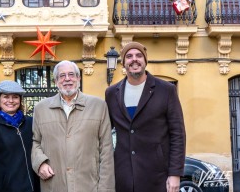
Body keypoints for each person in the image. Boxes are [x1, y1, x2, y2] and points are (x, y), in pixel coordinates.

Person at [105, 42, 186, 192]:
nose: (134, 59)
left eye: (138, 55)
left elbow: (178, 134)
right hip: (123, 176)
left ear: (145, 60)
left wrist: (175, 173)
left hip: (157, 176)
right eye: (129, 56)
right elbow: (105, 132)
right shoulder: (111, 93)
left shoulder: (166, 90)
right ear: (123, 63)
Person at [31, 60, 115, 192]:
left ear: (78, 78)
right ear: (56, 81)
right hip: (54, 185)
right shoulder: (41, 108)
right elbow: (36, 142)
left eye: (71, 74)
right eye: (62, 76)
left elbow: (106, 149)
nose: (67, 79)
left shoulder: (98, 106)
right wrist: (40, 163)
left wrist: (105, 189)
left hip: (89, 185)